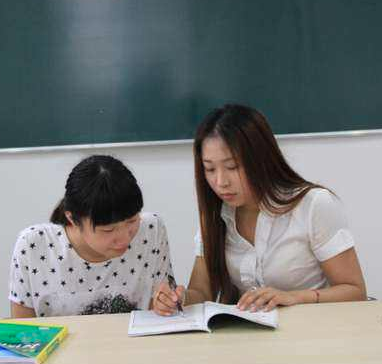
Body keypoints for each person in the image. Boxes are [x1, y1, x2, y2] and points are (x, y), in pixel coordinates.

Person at [153, 104, 366, 316]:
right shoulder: (216, 215)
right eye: (209, 169)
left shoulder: (313, 205)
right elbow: (202, 291)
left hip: (312, 329)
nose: (220, 182)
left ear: (261, 159)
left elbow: (355, 291)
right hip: (248, 333)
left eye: (232, 167)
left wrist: (295, 297)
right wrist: (178, 299)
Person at [9, 155, 173, 317]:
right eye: (108, 230)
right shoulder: (34, 246)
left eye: (132, 221)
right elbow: (22, 328)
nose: (125, 239)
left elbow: (157, 314)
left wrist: (167, 302)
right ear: (72, 219)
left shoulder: (152, 230)